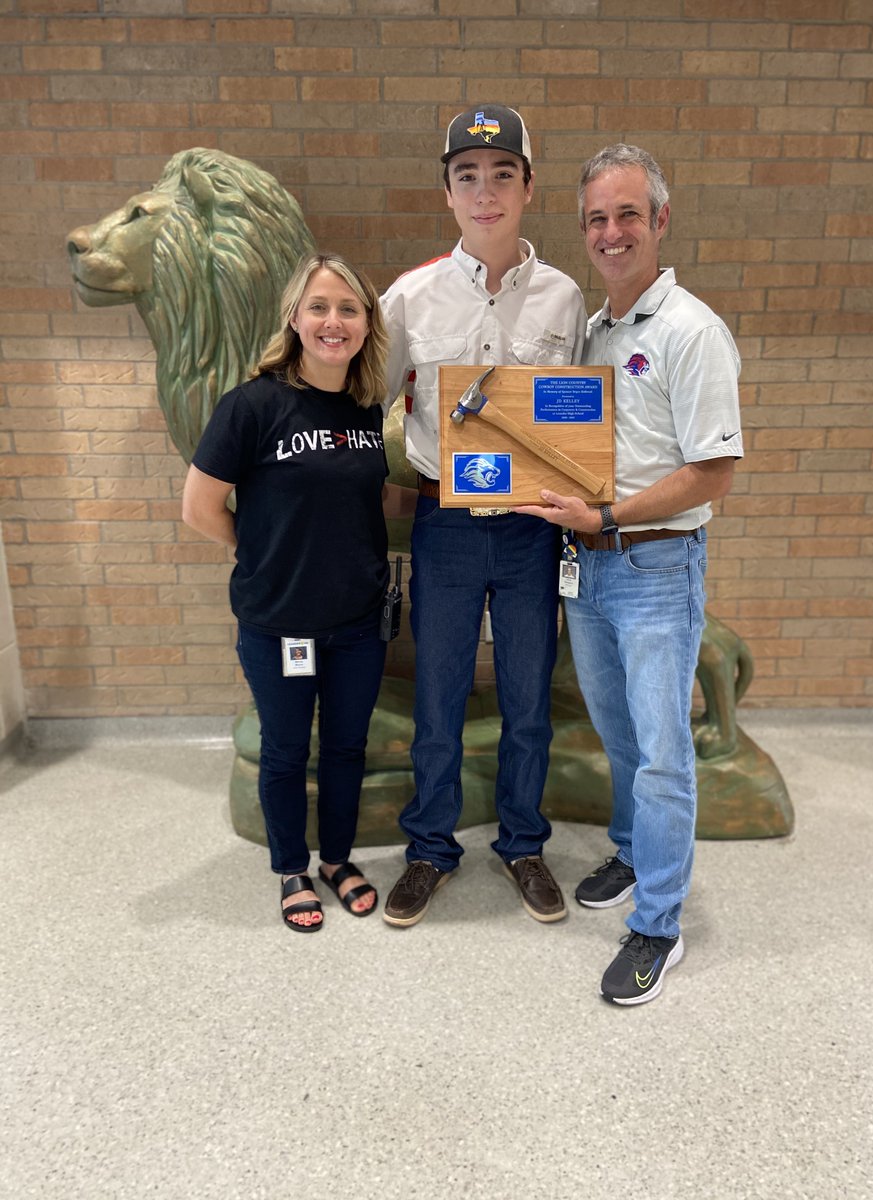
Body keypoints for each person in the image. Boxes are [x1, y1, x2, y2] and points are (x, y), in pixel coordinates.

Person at [516, 144, 743, 1003]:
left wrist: (607, 517)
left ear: (660, 220)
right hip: (590, 567)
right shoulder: (594, 331)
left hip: (653, 564)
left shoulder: (691, 330)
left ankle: (659, 926)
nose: (611, 233)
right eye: (596, 219)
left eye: (628, 215)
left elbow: (712, 472)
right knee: (618, 735)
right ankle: (632, 850)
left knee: (661, 755)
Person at [379, 104, 587, 927]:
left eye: (503, 175)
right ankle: (430, 849)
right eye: (467, 176)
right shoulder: (410, 297)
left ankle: (524, 844)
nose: (485, 191)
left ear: (529, 187)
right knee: (439, 698)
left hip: (534, 526)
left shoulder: (564, 298)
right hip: (449, 526)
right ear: (448, 192)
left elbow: (582, 417)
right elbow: (367, 400)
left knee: (529, 699)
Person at [183, 252, 413, 932]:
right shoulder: (251, 405)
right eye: (319, 307)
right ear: (294, 318)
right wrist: (259, 552)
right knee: (286, 751)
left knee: (346, 748)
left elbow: (367, 495)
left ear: (366, 324)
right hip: (279, 624)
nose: (333, 321)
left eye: (348, 308)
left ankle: (337, 860)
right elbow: (199, 508)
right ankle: (292, 868)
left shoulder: (365, 410)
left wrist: (450, 501)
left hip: (357, 623)